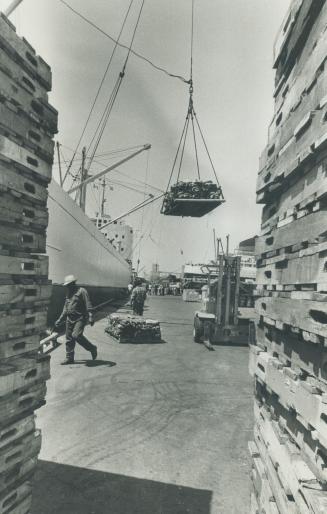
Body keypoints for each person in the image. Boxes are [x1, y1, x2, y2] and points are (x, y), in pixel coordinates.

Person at [54, 275, 98, 365]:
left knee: (76, 335)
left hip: (80, 318)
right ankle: (69, 358)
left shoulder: (82, 291)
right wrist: (59, 319)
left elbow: (88, 304)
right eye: (67, 285)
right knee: (69, 339)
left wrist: (90, 316)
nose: (67, 287)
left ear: (73, 283)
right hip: (69, 319)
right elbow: (65, 308)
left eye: (69, 285)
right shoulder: (68, 293)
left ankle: (92, 348)